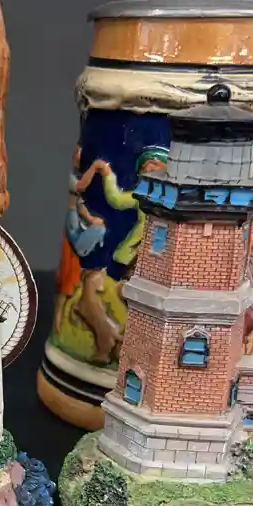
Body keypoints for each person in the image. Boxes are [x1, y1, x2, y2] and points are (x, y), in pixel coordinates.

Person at [57, 146, 168, 362]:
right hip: (137, 253)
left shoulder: (176, 199)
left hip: (161, 257)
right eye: (146, 169)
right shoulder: (142, 195)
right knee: (124, 289)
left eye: (154, 167)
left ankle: (127, 341)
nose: (149, 171)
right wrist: (108, 175)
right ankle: (116, 338)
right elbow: (116, 199)